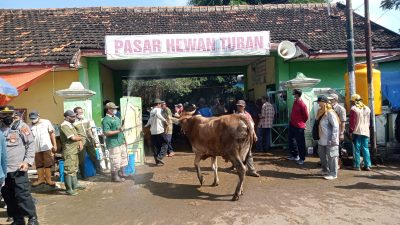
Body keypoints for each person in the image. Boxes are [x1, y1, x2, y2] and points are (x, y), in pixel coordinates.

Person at [0, 106, 39, 225]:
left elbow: (31, 145)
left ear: (14, 114)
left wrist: (27, 162)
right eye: (3, 114)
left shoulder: (21, 127)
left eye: (9, 114)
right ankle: (18, 219)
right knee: (8, 196)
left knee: (22, 195)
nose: (7, 116)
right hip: (3, 170)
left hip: (18, 168)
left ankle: (32, 218)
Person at [60, 110, 85, 195]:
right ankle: (69, 189)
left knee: (74, 168)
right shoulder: (64, 125)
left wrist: (80, 141)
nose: (75, 118)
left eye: (75, 116)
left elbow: (76, 136)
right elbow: (73, 138)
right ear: (67, 117)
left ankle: (75, 185)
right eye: (73, 117)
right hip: (69, 151)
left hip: (74, 150)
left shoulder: (70, 125)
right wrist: (81, 138)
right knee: (69, 170)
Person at [73, 107, 103, 179]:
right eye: (79, 113)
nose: (81, 114)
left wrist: (93, 138)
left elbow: (89, 130)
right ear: (75, 113)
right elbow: (74, 133)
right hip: (80, 142)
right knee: (81, 158)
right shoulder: (73, 122)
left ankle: (99, 170)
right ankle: (83, 175)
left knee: (94, 155)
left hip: (89, 140)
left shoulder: (86, 120)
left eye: (81, 112)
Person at [29, 111, 57, 186]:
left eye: (34, 118)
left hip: (46, 146)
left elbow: (52, 133)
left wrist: (55, 145)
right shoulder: (30, 126)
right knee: (39, 164)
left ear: (38, 116)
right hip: (36, 148)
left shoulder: (46, 122)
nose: (33, 120)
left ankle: (49, 180)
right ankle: (41, 179)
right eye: (31, 118)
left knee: (48, 163)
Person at [102, 102, 128, 182]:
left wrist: (124, 140)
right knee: (115, 160)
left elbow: (121, 130)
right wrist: (118, 131)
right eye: (113, 109)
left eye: (115, 108)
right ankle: (114, 177)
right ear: (109, 109)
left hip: (121, 141)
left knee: (123, 158)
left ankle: (122, 173)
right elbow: (106, 132)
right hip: (113, 143)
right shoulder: (106, 120)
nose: (115, 110)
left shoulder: (116, 118)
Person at [315, 95, 340, 180]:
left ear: (324, 102)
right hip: (321, 139)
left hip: (330, 139)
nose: (318, 103)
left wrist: (333, 138)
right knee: (322, 156)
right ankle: (325, 170)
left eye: (319, 102)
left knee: (332, 157)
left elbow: (336, 126)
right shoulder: (320, 112)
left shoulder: (330, 113)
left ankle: (333, 173)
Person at [235, 100, 260, 177]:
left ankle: (252, 170)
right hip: (237, 138)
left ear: (244, 106)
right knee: (237, 154)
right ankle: (239, 168)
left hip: (247, 138)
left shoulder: (247, 115)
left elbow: (252, 126)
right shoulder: (235, 115)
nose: (239, 107)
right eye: (238, 105)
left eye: (240, 106)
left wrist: (254, 135)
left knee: (248, 153)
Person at [349, 94, 372, 171]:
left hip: (357, 131)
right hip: (365, 131)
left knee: (357, 149)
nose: (350, 102)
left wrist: (350, 131)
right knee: (365, 148)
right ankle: (367, 165)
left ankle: (357, 166)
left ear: (353, 101)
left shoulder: (354, 109)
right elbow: (370, 122)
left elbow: (352, 122)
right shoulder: (367, 108)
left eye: (351, 101)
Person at [288, 89, 309, 165]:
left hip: (299, 126)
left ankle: (302, 158)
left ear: (297, 95)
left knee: (300, 143)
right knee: (291, 140)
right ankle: (295, 155)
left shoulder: (302, 105)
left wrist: (301, 122)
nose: (294, 96)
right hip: (292, 124)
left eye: (294, 94)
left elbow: (306, 116)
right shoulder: (295, 102)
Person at [145, 99, 168, 166]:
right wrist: (165, 120)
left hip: (153, 132)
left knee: (155, 146)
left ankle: (157, 161)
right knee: (165, 143)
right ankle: (160, 157)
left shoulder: (151, 111)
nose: (161, 105)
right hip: (160, 130)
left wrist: (146, 125)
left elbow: (149, 121)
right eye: (160, 104)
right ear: (158, 104)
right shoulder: (158, 110)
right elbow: (158, 115)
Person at [328, 93, 347, 168]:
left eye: (331, 99)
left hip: (338, 131)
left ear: (335, 100)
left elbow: (343, 122)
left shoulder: (340, 109)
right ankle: (331, 162)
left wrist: (341, 133)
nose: (329, 100)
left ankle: (338, 163)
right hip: (330, 131)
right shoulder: (329, 108)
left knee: (338, 148)